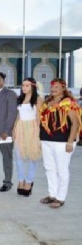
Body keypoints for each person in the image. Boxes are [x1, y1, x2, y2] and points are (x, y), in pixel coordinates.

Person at [39, 78, 81, 208]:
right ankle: (52, 194)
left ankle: (61, 197)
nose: (53, 89)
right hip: (47, 139)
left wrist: (70, 142)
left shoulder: (68, 103)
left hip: (63, 141)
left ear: (63, 88)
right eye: (52, 87)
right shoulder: (48, 102)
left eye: (57, 87)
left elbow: (75, 123)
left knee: (61, 169)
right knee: (49, 168)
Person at [13, 78, 42, 197]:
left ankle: (29, 181)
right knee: (18, 156)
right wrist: (14, 128)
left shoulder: (38, 99)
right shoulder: (20, 99)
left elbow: (39, 117)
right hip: (20, 128)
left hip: (32, 128)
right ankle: (21, 180)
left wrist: (39, 132)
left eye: (27, 85)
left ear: (33, 87)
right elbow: (19, 115)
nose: (24, 87)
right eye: (23, 85)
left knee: (32, 155)